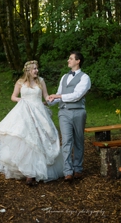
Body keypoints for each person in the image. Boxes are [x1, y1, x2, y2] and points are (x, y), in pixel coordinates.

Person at [0, 60, 63, 185]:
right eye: (34, 69)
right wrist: (21, 100)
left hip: (39, 113)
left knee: (39, 140)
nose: (37, 70)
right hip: (24, 113)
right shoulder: (20, 82)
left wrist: (50, 98)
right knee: (27, 140)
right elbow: (13, 96)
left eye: (37, 68)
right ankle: (29, 174)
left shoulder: (41, 81)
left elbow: (45, 96)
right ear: (28, 70)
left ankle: (39, 171)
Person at [47, 51, 91, 181]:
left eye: (71, 58)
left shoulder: (85, 78)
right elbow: (59, 94)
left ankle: (78, 168)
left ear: (78, 61)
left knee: (78, 140)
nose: (68, 60)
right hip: (64, 113)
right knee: (66, 141)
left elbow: (77, 95)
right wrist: (49, 101)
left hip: (78, 112)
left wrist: (58, 96)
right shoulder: (64, 77)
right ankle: (68, 171)